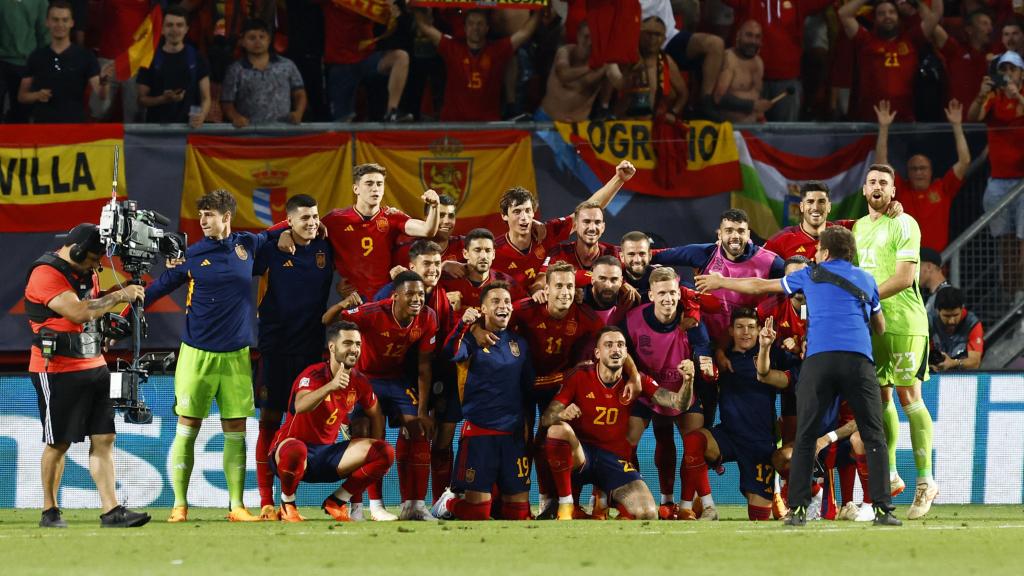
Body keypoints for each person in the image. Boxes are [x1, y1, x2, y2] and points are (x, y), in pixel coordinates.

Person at [694, 225, 901, 527]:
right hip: (858, 361)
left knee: (805, 435)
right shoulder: (866, 280)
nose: (815, 254)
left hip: (819, 361)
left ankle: (799, 510)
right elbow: (880, 326)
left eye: (818, 250)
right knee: (873, 433)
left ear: (826, 253)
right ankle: (883, 509)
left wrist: (722, 280)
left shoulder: (810, 275)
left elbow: (760, 286)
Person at [145, 189, 269, 523]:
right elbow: (154, 291)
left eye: (209, 214)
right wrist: (123, 303)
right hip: (196, 356)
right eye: (201, 214)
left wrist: (312, 229)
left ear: (226, 217)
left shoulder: (249, 245)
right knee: (187, 427)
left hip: (236, 358)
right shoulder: (192, 255)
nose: (203, 220)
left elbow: (283, 233)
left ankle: (237, 506)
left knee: (236, 429)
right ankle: (179, 505)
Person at [24, 223, 150, 528]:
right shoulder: (45, 274)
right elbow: (78, 312)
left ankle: (111, 510)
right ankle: (49, 510)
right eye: (94, 259)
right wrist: (119, 295)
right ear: (77, 251)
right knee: (59, 442)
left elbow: (91, 314)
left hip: (94, 363)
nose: (98, 266)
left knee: (104, 437)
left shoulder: (87, 272)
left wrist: (108, 322)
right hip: (56, 368)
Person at [852, 163, 939, 520]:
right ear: (863, 190)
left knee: (908, 396)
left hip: (904, 322)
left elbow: (904, 277)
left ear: (893, 191)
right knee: (881, 394)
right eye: (871, 181)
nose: (876, 186)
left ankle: (925, 480)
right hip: (872, 325)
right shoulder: (857, 227)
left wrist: (866, 298)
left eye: (883, 182)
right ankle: (888, 474)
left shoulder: (905, 223)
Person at [540, 327, 695, 520]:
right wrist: (563, 414)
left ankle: (604, 501)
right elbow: (547, 418)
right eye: (609, 345)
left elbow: (678, 403)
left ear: (626, 353)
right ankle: (566, 505)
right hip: (581, 457)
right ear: (597, 353)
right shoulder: (579, 376)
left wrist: (688, 381)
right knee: (557, 430)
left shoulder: (636, 381)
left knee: (648, 513)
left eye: (621, 345)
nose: (616, 349)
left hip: (614, 461)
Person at [252, 194, 334, 520]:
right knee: (269, 423)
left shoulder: (326, 247)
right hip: (275, 349)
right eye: (304, 218)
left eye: (315, 217)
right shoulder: (272, 247)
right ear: (289, 221)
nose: (312, 223)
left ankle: (288, 500)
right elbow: (252, 241)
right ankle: (264, 501)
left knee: (297, 426)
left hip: (311, 351)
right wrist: (278, 232)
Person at [506, 261, 607, 517]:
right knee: (523, 443)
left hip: (560, 388)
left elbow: (605, 347)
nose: (565, 291)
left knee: (554, 440)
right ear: (546, 289)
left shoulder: (587, 319)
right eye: (558, 285)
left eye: (570, 286)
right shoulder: (524, 310)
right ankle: (517, 503)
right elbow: (494, 324)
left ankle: (552, 501)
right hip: (523, 387)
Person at [336, 271, 439, 521]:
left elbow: (425, 367)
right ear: (395, 296)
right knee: (365, 433)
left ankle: (414, 505)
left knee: (419, 428)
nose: (417, 299)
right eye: (411, 294)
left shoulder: (428, 317)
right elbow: (337, 330)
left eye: (421, 294)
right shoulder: (371, 313)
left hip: (396, 380)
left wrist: (423, 410)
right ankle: (365, 506)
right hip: (365, 378)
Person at [675, 309, 793, 521]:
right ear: (730, 331)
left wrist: (796, 345)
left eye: (750, 327)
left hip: (760, 444)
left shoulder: (772, 355)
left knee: (759, 516)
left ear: (759, 330)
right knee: (694, 440)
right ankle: (707, 506)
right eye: (740, 327)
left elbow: (796, 371)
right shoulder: (720, 358)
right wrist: (710, 374)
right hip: (728, 435)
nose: (745, 332)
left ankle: (779, 494)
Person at [270, 321, 394, 522]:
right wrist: (331, 386)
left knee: (384, 452)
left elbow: (376, 413)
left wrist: (375, 443)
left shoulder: (359, 381)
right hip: (289, 453)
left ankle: (337, 501)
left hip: (326, 456)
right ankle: (288, 504)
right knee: (296, 450)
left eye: (358, 344)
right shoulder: (313, 374)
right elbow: (301, 405)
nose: (354, 349)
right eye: (347, 343)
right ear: (332, 347)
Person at [431, 283, 535, 521]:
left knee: (518, 514)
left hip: (513, 436)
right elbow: (449, 354)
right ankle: (449, 502)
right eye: (496, 302)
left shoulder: (520, 344)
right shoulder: (470, 340)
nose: (504, 306)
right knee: (477, 513)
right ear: (483, 309)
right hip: (480, 436)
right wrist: (463, 325)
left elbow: (528, 389)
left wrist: (528, 429)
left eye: (507, 302)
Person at [621, 267, 714, 520]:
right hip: (646, 390)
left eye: (672, 293)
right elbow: (621, 352)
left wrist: (699, 365)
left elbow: (704, 349)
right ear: (650, 295)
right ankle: (634, 501)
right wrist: (638, 378)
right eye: (661, 293)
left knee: (693, 442)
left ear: (679, 293)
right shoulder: (632, 319)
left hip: (685, 389)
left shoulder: (691, 319)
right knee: (626, 444)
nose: (668, 298)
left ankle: (687, 505)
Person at [279, 163, 440, 302]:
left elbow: (428, 230)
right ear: (356, 188)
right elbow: (303, 227)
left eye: (379, 184)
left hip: (383, 297)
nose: (375, 188)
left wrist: (434, 206)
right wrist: (285, 233)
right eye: (369, 183)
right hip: (348, 297)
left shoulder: (392, 217)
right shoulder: (336, 219)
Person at [492, 160, 635, 293]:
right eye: (517, 212)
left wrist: (619, 179)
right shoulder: (493, 251)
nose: (523, 217)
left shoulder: (547, 232)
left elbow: (588, 210)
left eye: (528, 211)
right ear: (504, 215)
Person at [874, 98, 971, 251]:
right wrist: (884, 127)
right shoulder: (899, 189)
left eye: (923, 168)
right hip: (903, 263)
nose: (919, 172)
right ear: (908, 172)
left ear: (931, 172)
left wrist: (957, 126)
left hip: (935, 264)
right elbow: (881, 164)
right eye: (914, 169)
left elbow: (964, 161)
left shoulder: (943, 188)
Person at [414, 8, 539, 122]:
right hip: (453, 124)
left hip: (488, 125)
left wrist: (539, 10)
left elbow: (524, 33)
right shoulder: (451, 48)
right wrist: (415, 5)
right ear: (465, 27)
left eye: (480, 23)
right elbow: (425, 27)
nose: (475, 28)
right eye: (471, 23)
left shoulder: (498, 50)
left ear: (487, 28)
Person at [968, 50, 1024, 301]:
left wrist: (1018, 98)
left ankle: (1022, 298)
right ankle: (1013, 300)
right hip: (999, 181)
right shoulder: (993, 97)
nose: (1008, 75)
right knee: (1007, 247)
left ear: (1021, 73)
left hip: (1023, 183)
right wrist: (980, 95)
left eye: (1013, 69)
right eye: (1004, 69)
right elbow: (973, 117)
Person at [721, 0, 832, 121]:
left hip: (787, 83)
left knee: (785, 135)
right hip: (750, 80)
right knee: (749, 136)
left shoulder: (798, 2)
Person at [837, 0, 941, 122]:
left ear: (898, 17)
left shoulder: (911, 39)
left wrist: (917, 3)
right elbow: (843, 14)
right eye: (881, 13)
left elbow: (935, 16)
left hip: (904, 121)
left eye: (892, 12)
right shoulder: (865, 41)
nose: (887, 16)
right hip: (871, 121)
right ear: (874, 19)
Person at [18, 1, 111, 123]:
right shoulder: (36, 56)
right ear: (47, 22)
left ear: (72, 23)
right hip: (43, 125)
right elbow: (22, 96)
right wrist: (37, 95)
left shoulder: (85, 56)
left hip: (75, 126)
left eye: (64, 20)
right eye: (55, 20)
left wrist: (104, 82)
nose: (60, 24)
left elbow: (101, 94)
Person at [322, 0, 410, 122]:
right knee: (341, 123)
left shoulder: (376, 2)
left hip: (366, 58)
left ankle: (392, 111)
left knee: (401, 57)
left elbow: (396, 16)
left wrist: (395, 13)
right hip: (340, 63)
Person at [221, 18, 306, 127]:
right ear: (242, 42)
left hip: (284, 132)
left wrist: (298, 112)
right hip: (249, 134)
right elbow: (227, 102)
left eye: (262, 37)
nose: (258, 41)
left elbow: (299, 93)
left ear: (269, 40)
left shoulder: (287, 65)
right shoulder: (235, 70)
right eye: (252, 37)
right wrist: (235, 117)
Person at [137, 5, 212, 127]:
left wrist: (202, 116)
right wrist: (163, 99)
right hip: (155, 131)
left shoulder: (197, 57)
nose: (174, 30)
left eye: (179, 25)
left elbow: (206, 97)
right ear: (162, 29)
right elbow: (141, 100)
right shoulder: (149, 59)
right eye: (169, 25)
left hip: (188, 131)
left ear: (187, 29)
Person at [537, 21, 611, 122]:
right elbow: (563, 75)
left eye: (594, 38)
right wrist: (590, 67)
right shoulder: (565, 51)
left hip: (579, 128)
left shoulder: (606, 63)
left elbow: (619, 82)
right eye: (586, 36)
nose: (589, 42)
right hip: (547, 122)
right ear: (578, 35)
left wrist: (630, 74)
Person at [616, 17, 687, 120]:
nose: (652, 39)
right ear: (639, 35)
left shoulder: (666, 61)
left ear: (664, 38)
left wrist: (673, 113)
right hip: (627, 125)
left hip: (654, 125)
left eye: (657, 34)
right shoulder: (628, 58)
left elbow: (683, 94)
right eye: (648, 34)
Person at [439, 228, 525, 312]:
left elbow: (524, 311)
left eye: (488, 251)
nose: (483, 256)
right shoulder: (447, 280)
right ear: (465, 254)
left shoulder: (507, 282)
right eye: (477, 250)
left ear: (493, 254)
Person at [933, 10, 995, 110]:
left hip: (985, 120)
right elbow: (932, 26)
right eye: (984, 24)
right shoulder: (956, 50)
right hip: (957, 118)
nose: (990, 28)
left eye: (991, 24)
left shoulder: (994, 54)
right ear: (970, 29)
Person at [714, 19, 772, 123]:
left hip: (753, 130)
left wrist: (760, 116)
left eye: (757, 37)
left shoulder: (759, 62)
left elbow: (756, 95)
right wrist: (752, 105)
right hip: (730, 131)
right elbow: (719, 97)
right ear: (738, 36)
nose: (753, 41)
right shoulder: (729, 59)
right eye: (749, 35)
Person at [0, 0, 48, 123]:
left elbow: (44, 33)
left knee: (21, 114)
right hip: (2, 61)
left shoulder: (40, 2)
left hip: (26, 65)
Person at [929, 286, 984, 371]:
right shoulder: (929, 322)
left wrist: (953, 363)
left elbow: (975, 362)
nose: (951, 321)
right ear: (937, 311)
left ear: (962, 309)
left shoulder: (972, 324)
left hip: (963, 376)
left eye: (955, 315)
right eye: (946, 316)